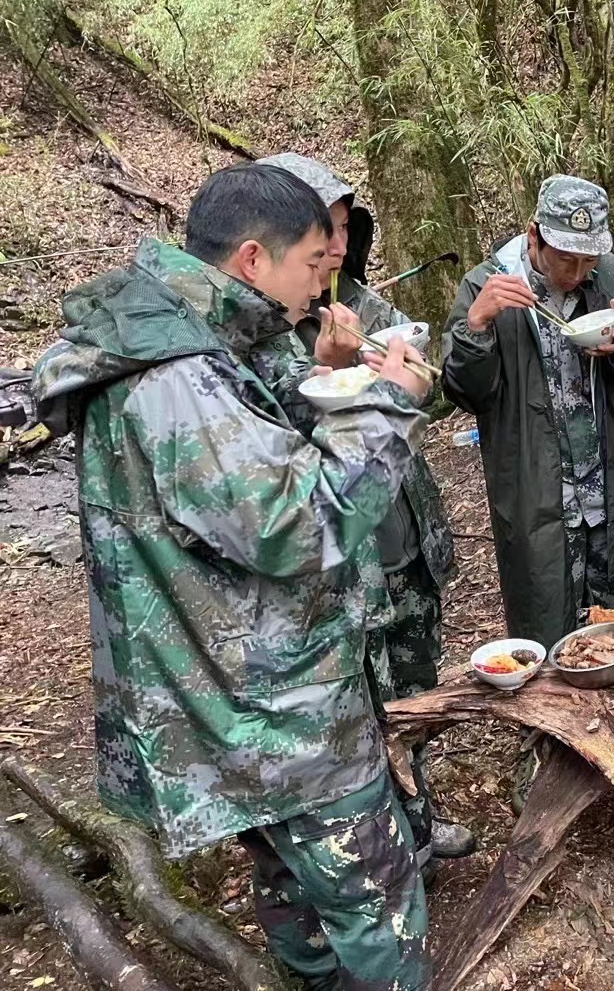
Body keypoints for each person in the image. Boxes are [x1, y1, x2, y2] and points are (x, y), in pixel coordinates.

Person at [31, 163, 432, 989]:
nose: (323, 282)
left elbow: (231, 482)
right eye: (316, 264)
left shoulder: (174, 338)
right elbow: (299, 523)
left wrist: (313, 376)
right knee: (375, 905)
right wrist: (387, 400)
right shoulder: (177, 378)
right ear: (253, 259)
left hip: (234, 698)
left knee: (295, 894)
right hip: (277, 713)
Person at [252, 152, 469, 868]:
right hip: (341, 565)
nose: (337, 245)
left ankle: (422, 817)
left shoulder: (366, 308)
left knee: (415, 696)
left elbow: (432, 397)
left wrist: (404, 368)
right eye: (323, 230)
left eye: (345, 227)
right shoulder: (259, 337)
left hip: (404, 543)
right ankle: (383, 854)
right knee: (361, 713)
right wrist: (329, 372)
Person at [441, 175, 614, 646]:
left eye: (589, 258)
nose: (578, 271)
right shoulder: (487, 285)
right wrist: (476, 326)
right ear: (533, 235)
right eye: (566, 257)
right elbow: (466, 393)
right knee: (547, 629)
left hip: (612, 488)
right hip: (538, 492)